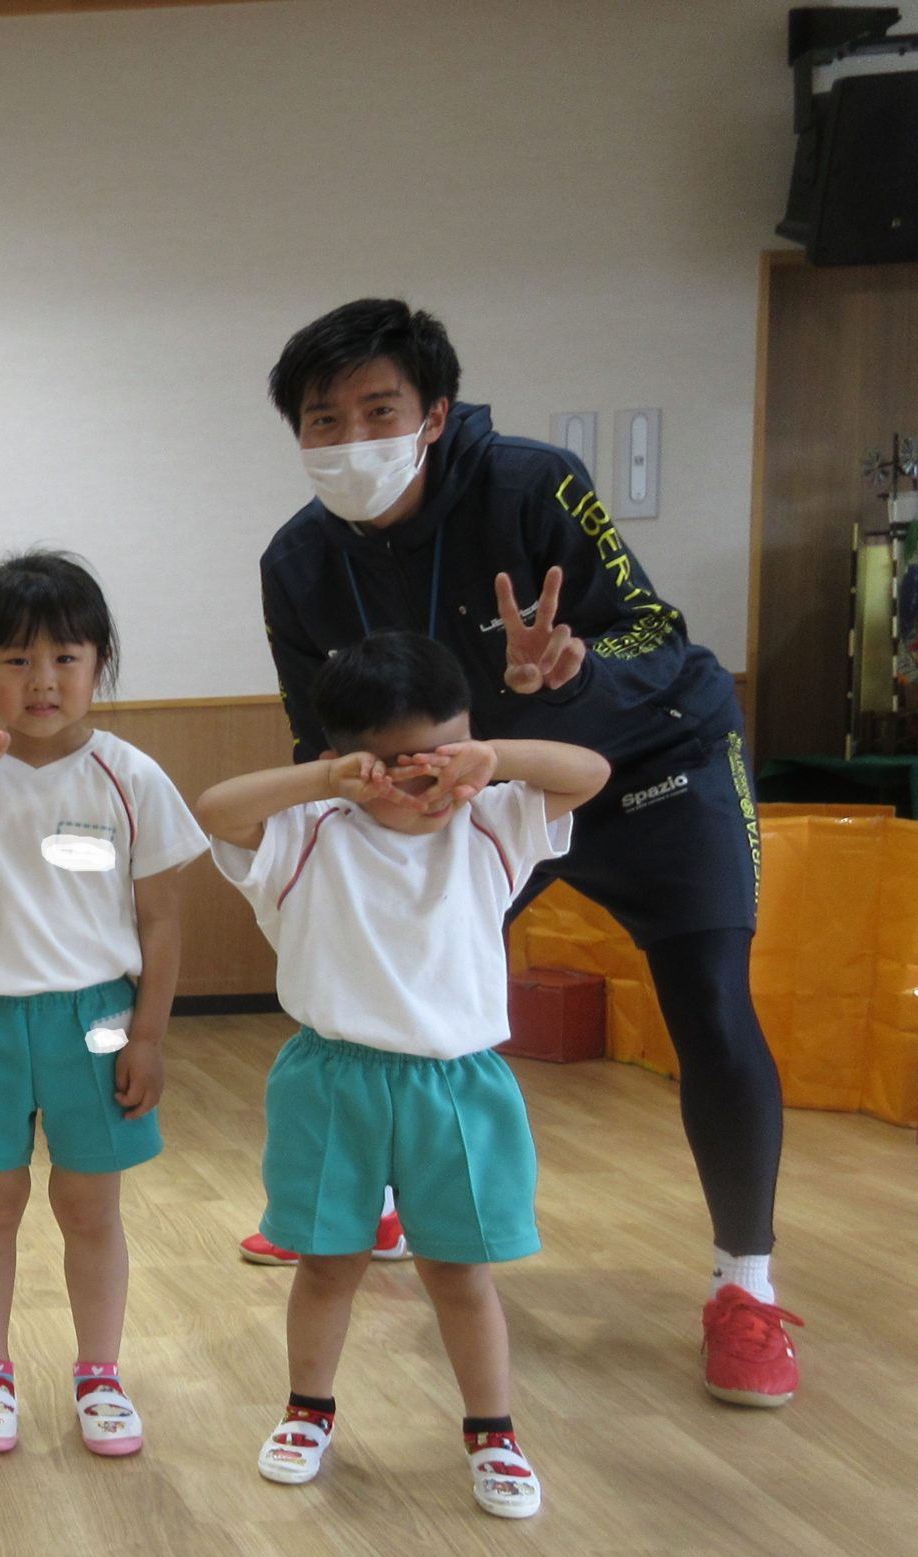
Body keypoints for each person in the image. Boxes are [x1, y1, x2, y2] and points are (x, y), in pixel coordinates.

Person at [257, 298, 801, 1408]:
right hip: (475, 796)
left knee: (708, 997)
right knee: (391, 976)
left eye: (379, 409)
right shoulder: (298, 561)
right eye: (322, 418)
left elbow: (653, 627)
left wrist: (575, 674)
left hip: (651, 765)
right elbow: (319, 731)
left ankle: (744, 1290)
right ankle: (376, 1193)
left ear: (436, 414)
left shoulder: (532, 483)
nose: (350, 437)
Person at [198, 632, 609, 1518]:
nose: (430, 786)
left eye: (444, 758)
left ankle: (492, 1430)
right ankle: (309, 1412)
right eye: (400, 767)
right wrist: (324, 779)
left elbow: (587, 771)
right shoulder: (307, 835)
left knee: (461, 1273)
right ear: (347, 758)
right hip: (330, 1080)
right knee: (328, 1265)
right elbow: (214, 808)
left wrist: (492, 758)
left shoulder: (491, 823)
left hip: (457, 1086)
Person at [0, 552, 207, 1457]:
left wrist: (147, 1036)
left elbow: (162, 919)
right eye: (17, 660)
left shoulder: (131, 775)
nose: (42, 681)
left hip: (96, 1019)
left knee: (90, 1208)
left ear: (100, 664)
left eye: (65, 657)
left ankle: (99, 1375)